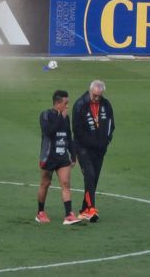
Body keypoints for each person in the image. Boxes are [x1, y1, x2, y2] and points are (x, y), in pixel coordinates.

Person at [73, 80, 115, 222]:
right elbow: (77, 131)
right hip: (83, 148)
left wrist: (106, 141)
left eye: (99, 95)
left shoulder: (106, 104)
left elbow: (111, 125)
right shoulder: (80, 105)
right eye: (94, 95)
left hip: (100, 149)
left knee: (93, 179)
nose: (96, 98)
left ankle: (84, 210)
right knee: (90, 175)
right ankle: (91, 209)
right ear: (90, 91)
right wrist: (93, 144)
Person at [37, 90, 81, 225]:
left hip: (62, 157)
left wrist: (73, 155)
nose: (67, 106)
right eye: (65, 103)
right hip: (48, 156)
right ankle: (40, 213)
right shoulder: (45, 115)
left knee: (66, 184)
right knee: (45, 183)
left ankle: (69, 215)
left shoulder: (65, 117)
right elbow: (49, 132)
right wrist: (60, 118)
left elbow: (68, 136)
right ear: (57, 103)